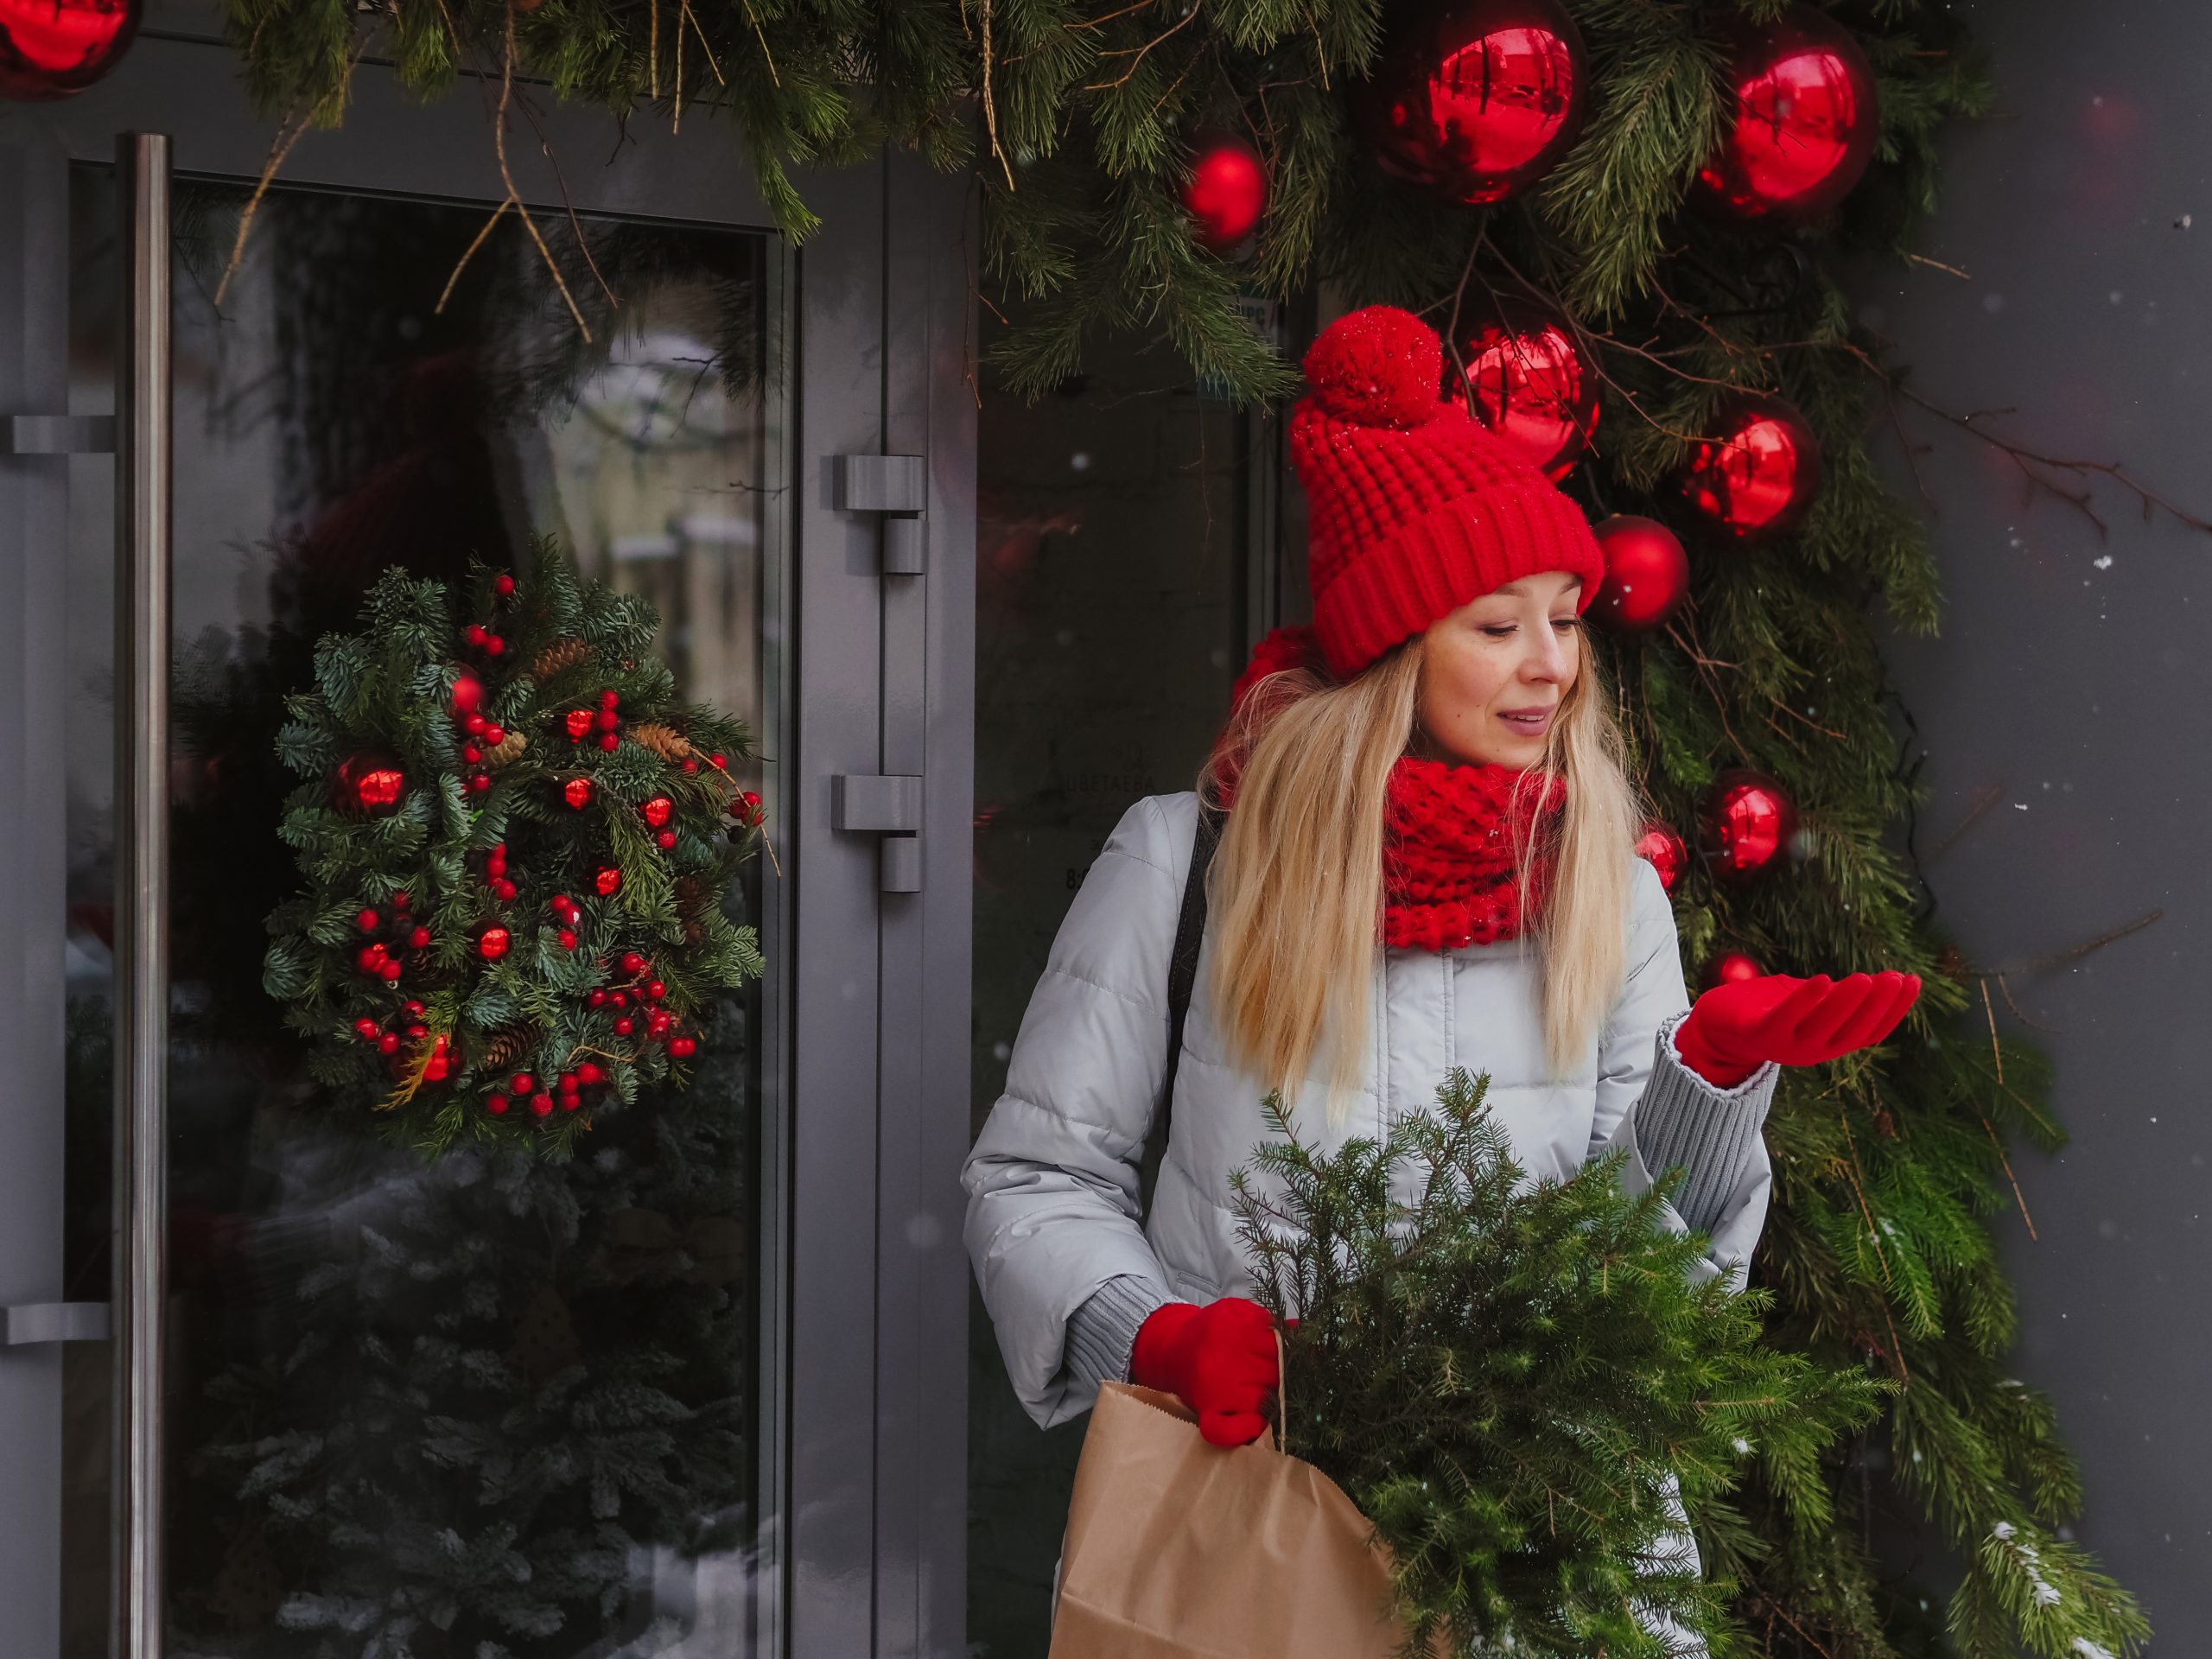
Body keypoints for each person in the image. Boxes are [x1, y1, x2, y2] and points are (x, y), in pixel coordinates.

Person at [962, 304, 1919, 1459]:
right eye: (1498, 625)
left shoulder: (1608, 895)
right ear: (1395, 647)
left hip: (1544, 1558)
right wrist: (1160, 1336)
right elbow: (1035, 1179)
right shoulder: (1188, 861)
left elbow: (1642, 1296)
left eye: (1565, 620)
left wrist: (1706, 1089)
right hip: (1253, 1537)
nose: (1553, 665)